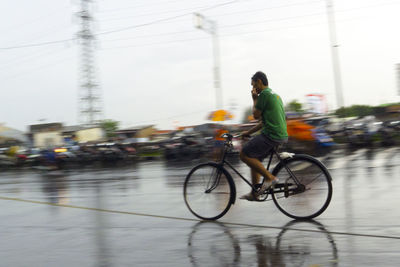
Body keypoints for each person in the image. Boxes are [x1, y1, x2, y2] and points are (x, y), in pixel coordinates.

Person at [239, 71, 288, 201]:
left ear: (259, 81)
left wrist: (254, 99)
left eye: (253, 85)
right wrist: (248, 133)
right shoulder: (275, 96)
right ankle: (255, 193)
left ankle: (270, 178)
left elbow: (255, 115)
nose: (252, 88)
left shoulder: (264, 95)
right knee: (254, 159)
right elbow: (263, 122)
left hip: (271, 135)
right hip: (280, 134)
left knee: (244, 154)